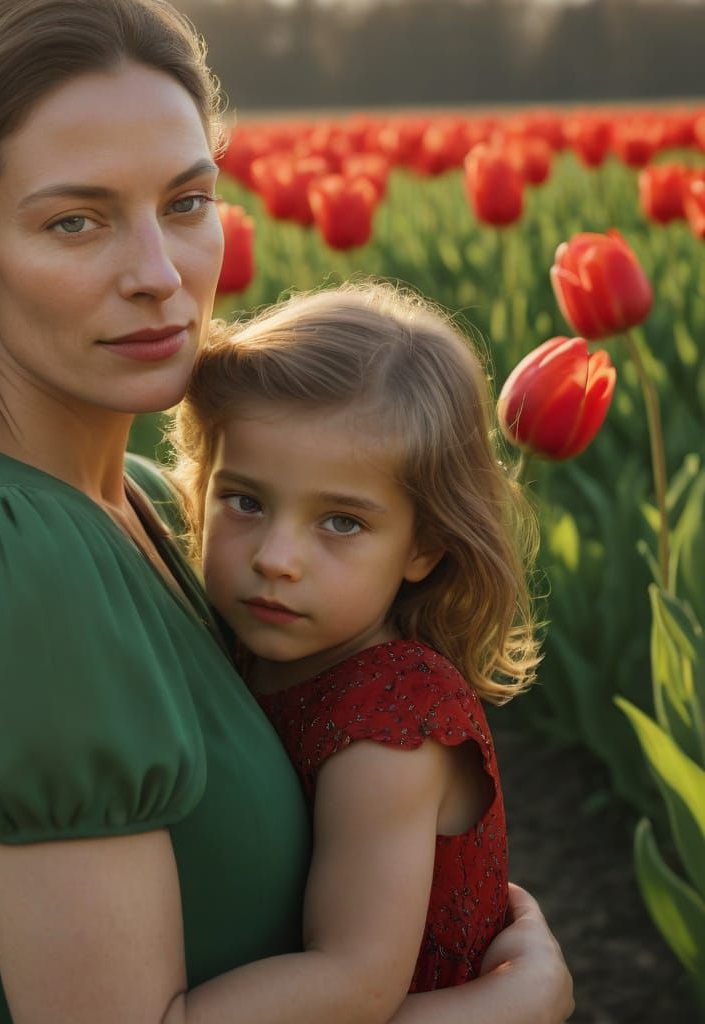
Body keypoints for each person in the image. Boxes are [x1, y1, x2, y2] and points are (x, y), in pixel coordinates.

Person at [0, 0, 573, 1020]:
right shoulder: (3, 554)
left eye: (186, 204)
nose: (161, 277)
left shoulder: (143, 505)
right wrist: (504, 1009)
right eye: (76, 221)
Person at [165, 281, 541, 1019]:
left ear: (425, 546)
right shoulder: (240, 646)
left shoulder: (391, 724)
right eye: (244, 500)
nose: (276, 557)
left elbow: (355, 977)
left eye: (340, 522)